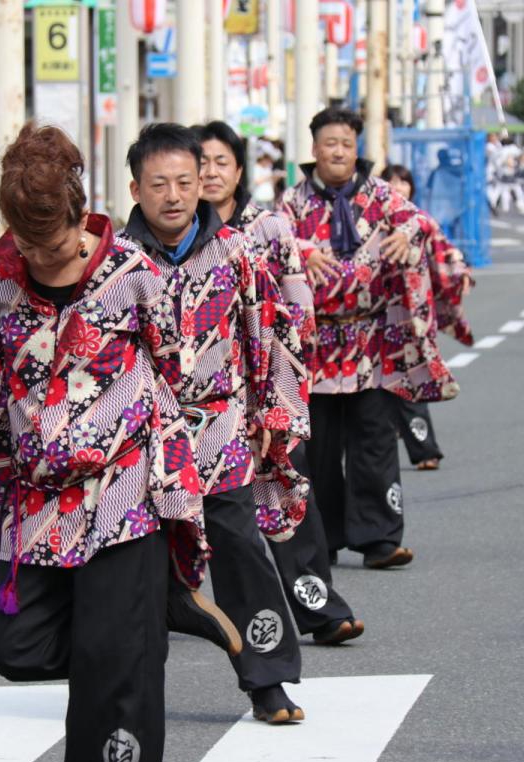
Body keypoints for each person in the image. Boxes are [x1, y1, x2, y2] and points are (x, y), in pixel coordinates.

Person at [0, 123, 220, 762]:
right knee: (17, 648)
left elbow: (176, 367)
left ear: (79, 213)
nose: (44, 256)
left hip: (125, 491)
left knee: (117, 668)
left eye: (57, 242)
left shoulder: (133, 275)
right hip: (42, 497)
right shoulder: (1, 283)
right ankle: (146, 620)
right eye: (29, 243)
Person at [118, 122, 313, 725]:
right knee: (139, 566)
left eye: (185, 180)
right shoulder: (114, 264)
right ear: (136, 188)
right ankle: (127, 690)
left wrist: (269, 412)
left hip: (221, 424)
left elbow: (267, 335)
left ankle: (269, 681)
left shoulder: (236, 251)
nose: (174, 195)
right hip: (142, 440)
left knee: (239, 546)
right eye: (159, 184)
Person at [194, 119, 366, 647]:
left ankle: (321, 611)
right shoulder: (173, 233)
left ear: (240, 170)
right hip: (199, 404)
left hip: (268, 392)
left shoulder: (267, 228)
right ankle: (173, 607)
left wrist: (285, 386)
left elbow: (299, 310)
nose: (210, 172)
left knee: (289, 501)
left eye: (222, 162)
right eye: (200, 163)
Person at [278, 108, 460, 570]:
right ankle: (329, 536)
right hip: (316, 346)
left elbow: (422, 223)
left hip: (371, 340)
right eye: (329, 142)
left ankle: (380, 539)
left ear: (356, 148)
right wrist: (301, 250)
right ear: (314, 148)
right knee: (319, 449)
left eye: (346, 142)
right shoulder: (293, 202)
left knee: (375, 440)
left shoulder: (380, 194)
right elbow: (269, 244)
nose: (338, 150)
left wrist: (403, 232)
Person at [381, 163, 476, 471]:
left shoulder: (420, 221)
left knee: (411, 380)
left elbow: (446, 252)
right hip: (372, 316)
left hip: (409, 314)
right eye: (392, 181)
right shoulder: (367, 220)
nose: (399, 186)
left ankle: (425, 451)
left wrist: (459, 272)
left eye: (404, 181)